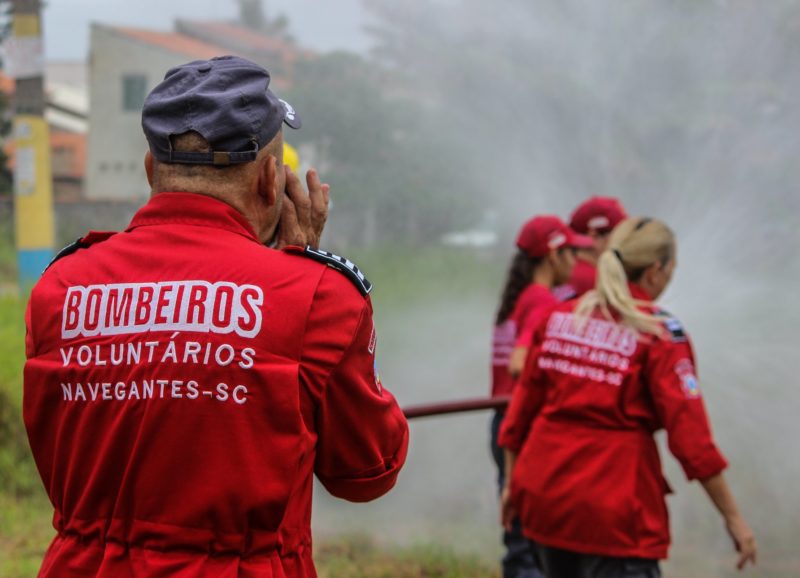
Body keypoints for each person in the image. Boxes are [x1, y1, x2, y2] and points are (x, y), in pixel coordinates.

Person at [23, 55, 409, 578]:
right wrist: (299, 268)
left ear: (150, 169)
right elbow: (366, 472)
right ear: (272, 180)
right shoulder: (319, 296)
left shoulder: (60, 286)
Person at [498, 217, 757, 578]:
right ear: (655, 270)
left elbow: (520, 414)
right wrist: (734, 518)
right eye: (672, 269)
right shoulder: (660, 335)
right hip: (614, 511)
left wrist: (512, 484)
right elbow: (692, 442)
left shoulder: (559, 317)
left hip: (544, 500)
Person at [490, 215, 592, 578]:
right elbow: (520, 363)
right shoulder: (541, 303)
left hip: (505, 424)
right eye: (571, 253)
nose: (577, 263)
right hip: (522, 427)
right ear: (552, 257)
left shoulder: (519, 298)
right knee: (528, 547)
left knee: (520, 540)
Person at [552, 196, 627, 302]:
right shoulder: (597, 280)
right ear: (594, 236)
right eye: (620, 234)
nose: (624, 241)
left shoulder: (556, 270)